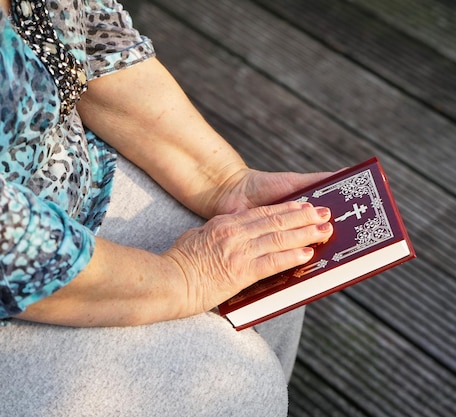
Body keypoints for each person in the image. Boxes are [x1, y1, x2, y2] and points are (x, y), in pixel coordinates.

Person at [0, 0, 334, 415]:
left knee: (275, 252)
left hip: (61, 172)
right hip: (15, 264)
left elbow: (93, 39)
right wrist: (184, 277)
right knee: (237, 388)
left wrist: (225, 181)